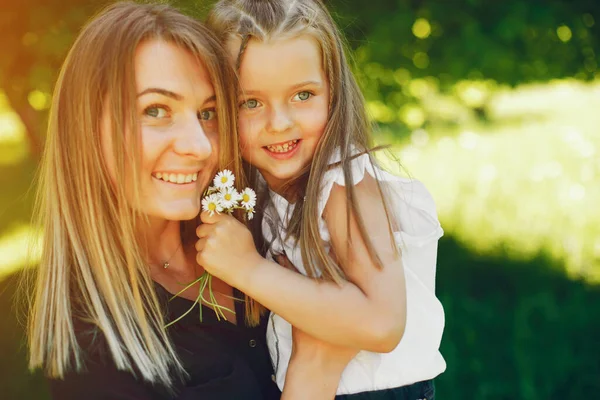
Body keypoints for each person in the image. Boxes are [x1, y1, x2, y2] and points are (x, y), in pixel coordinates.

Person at [27, 2, 353, 399]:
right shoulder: (89, 347)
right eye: (157, 110)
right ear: (85, 126)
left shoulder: (261, 224)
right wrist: (314, 373)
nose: (199, 147)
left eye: (209, 112)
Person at [196, 1, 446, 399]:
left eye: (303, 95)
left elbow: (382, 324)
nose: (280, 123)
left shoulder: (344, 182)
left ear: (333, 91)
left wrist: (248, 270)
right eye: (251, 102)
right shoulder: (267, 187)